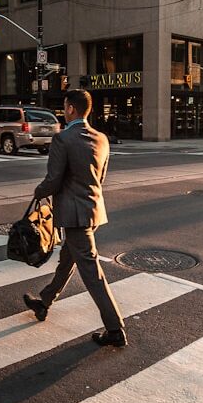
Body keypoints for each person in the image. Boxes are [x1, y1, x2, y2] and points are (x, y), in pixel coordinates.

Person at [23, 89, 127, 347]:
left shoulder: (63, 139)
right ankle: (44, 302)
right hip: (92, 210)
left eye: (65, 106)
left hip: (73, 214)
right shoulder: (102, 138)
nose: (64, 110)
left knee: (92, 272)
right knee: (67, 260)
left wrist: (39, 191)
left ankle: (115, 329)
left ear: (71, 108)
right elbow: (99, 179)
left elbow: (54, 180)